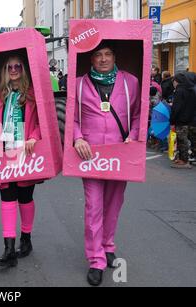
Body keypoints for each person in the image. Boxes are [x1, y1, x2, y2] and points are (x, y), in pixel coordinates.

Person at [73, 41, 141, 286]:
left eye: (107, 54)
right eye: (98, 55)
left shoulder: (130, 81)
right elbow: (71, 117)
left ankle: (108, 245)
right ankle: (96, 260)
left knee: (114, 204)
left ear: (114, 57)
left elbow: (137, 114)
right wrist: (77, 137)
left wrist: (133, 135)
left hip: (119, 155)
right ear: (91, 60)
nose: (103, 59)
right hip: (90, 155)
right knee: (93, 206)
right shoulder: (79, 84)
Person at [0, 55, 41, 268]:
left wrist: (34, 136)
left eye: (18, 66)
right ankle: (9, 248)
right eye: (10, 67)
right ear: (5, 70)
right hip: (4, 151)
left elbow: (44, 120)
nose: (14, 69)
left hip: (26, 152)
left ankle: (26, 240)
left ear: (23, 69)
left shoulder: (34, 94)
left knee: (25, 196)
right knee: (7, 196)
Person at [170, 72, 196, 169]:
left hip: (180, 119)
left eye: (174, 81)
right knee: (185, 139)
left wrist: (172, 120)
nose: (173, 83)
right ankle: (183, 158)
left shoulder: (180, 91)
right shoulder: (191, 90)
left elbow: (176, 108)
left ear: (177, 81)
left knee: (181, 139)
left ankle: (184, 160)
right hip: (188, 118)